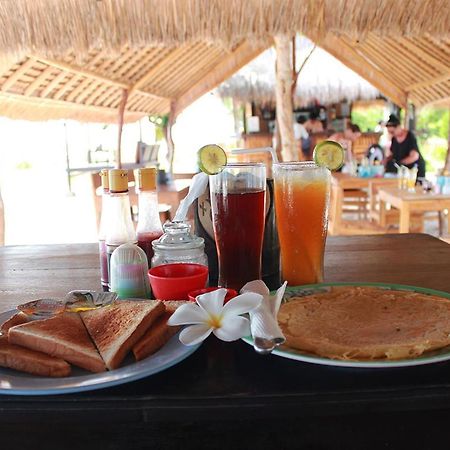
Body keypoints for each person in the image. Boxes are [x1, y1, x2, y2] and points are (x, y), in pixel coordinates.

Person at [384, 114, 426, 178]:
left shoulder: (410, 137)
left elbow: (414, 156)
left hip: (414, 172)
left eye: (392, 132)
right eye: (389, 132)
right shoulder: (394, 139)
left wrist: (400, 163)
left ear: (398, 127)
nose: (391, 134)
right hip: (402, 172)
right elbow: (392, 154)